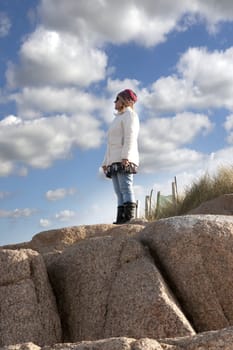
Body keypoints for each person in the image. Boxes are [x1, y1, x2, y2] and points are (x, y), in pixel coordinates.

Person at [102, 89, 140, 224]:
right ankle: (120, 219)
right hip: (114, 160)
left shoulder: (130, 115)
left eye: (117, 99)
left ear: (124, 100)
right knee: (118, 191)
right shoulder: (117, 118)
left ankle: (129, 218)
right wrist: (105, 162)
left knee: (126, 187)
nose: (115, 102)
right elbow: (110, 143)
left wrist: (126, 156)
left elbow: (130, 137)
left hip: (124, 158)